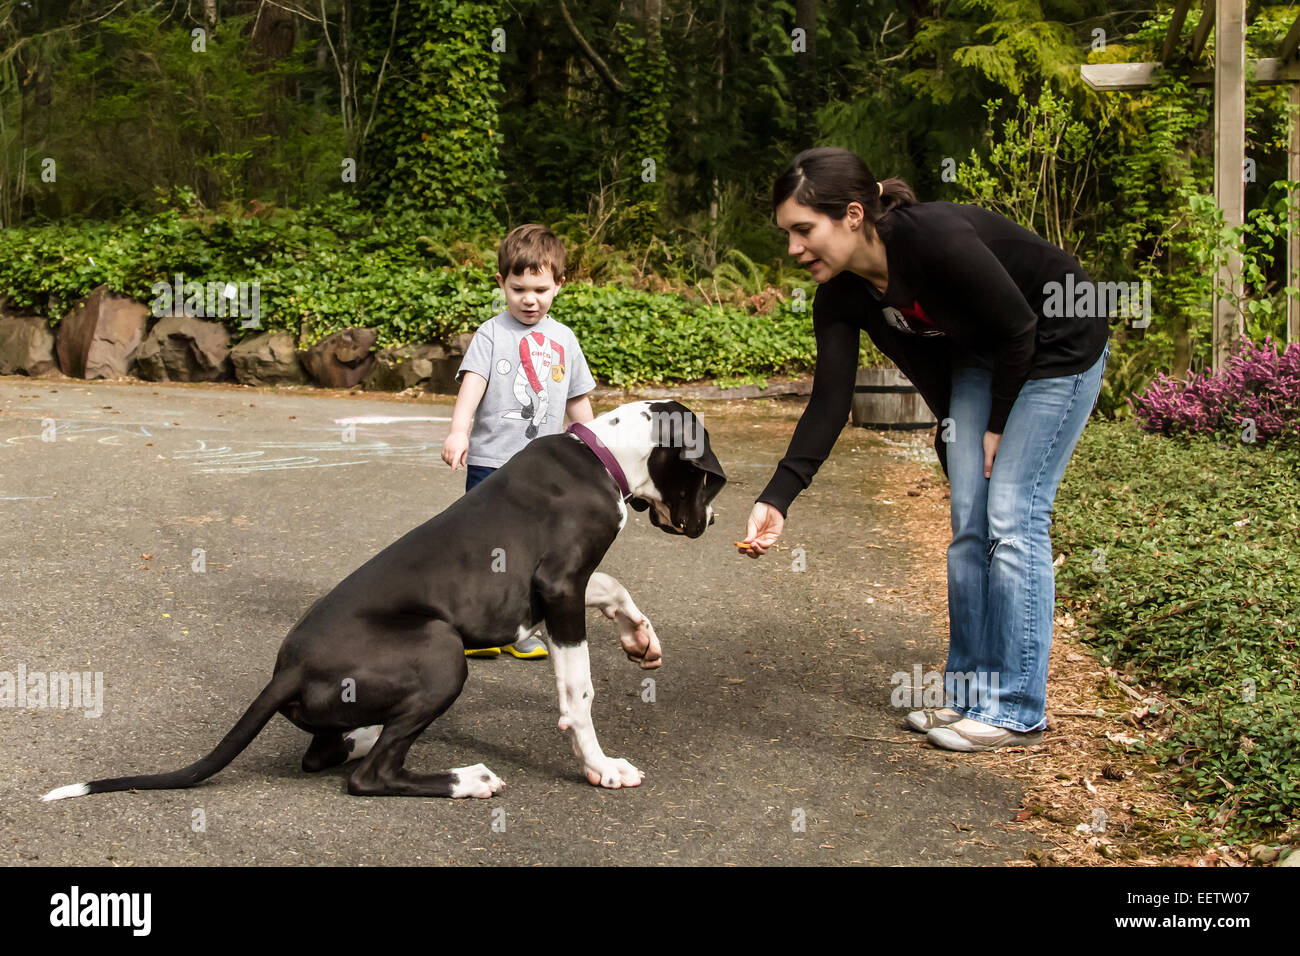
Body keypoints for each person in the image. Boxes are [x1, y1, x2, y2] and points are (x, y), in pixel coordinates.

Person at [739, 147, 1110, 752]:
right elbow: (831, 402)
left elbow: (1020, 327)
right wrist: (779, 497)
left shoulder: (932, 239)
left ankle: (1016, 710)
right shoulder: (841, 294)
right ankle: (968, 696)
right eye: (787, 234)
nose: (794, 250)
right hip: (982, 355)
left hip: (1056, 344)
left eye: (804, 230)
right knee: (969, 519)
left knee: (1012, 512)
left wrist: (992, 429)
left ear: (853, 215)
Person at [441, 223, 597, 659]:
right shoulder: (491, 334)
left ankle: (518, 627)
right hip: (492, 462)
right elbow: (472, 385)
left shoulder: (565, 340)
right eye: (519, 289)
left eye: (541, 289)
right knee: (482, 544)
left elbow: (578, 401)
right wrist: (459, 430)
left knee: (533, 550)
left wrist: (595, 451)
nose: (530, 299)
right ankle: (472, 627)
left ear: (559, 285)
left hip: (542, 470)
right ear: (501, 284)